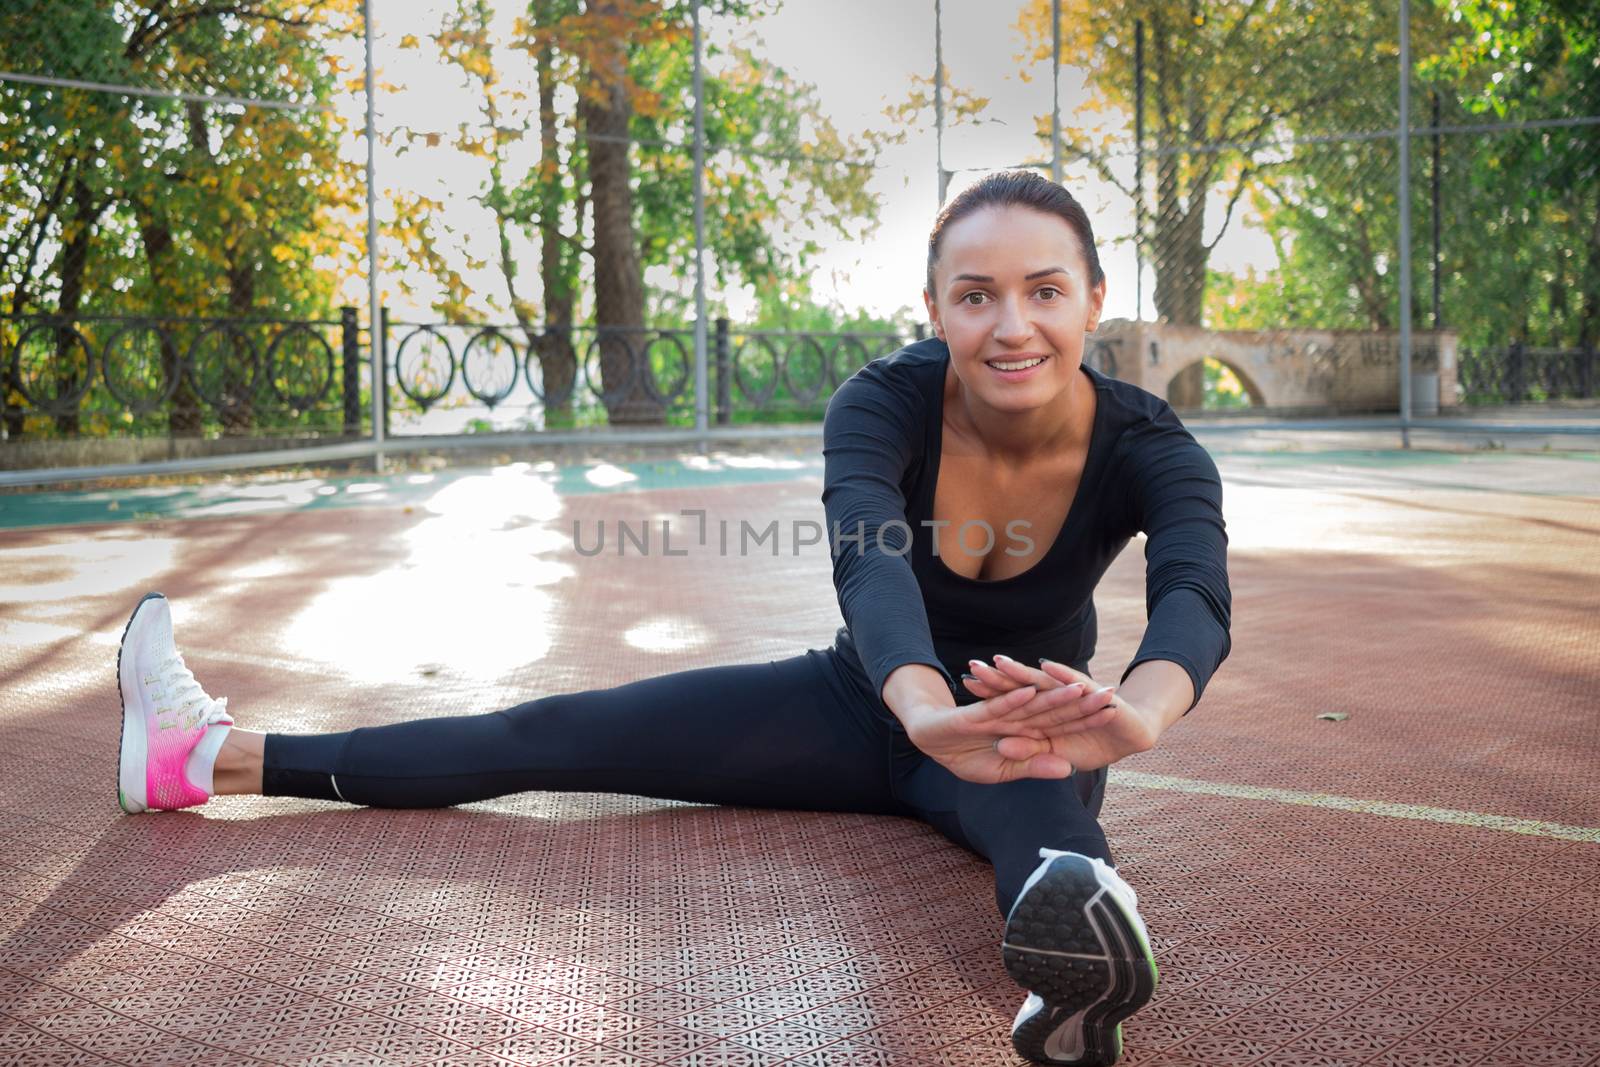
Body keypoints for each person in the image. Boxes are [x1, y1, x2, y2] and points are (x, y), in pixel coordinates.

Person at [113, 169, 1230, 1067]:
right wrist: (917, 701)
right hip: (855, 702)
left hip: (1018, 725)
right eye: (975, 293)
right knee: (550, 734)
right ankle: (204, 755)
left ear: (1092, 299)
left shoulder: (1148, 442)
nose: (1010, 323)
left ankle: (1068, 988)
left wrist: (1131, 712)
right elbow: (868, 555)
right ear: (935, 309)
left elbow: (1193, 588)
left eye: (1044, 290)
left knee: (1052, 831)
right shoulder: (883, 401)